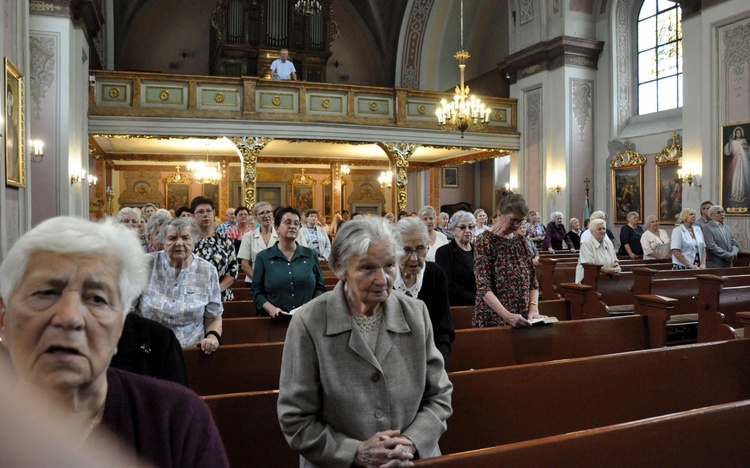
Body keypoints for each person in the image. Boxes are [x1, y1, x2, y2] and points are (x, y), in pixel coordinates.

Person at [0, 216, 228, 466]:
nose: (70, 318)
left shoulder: (179, 418)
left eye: (97, 299)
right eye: (45, 293)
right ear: (4, 317)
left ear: (121, 324)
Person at [277, 217, 453, 466]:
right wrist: (356, 451)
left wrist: (410, 442)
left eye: (390, 265)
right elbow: (295, 420)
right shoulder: (309, 322)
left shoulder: (415, 314)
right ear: (340, 268)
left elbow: (439, 395)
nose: (383, 280)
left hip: (409, 461)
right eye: (368, 268)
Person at [137, 217, 223, 352]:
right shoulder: (145, 265)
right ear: (163, 242)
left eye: (185, 238)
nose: (179, 243)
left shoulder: (208, 271)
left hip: (191, 351)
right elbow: (126, 309)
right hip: (148, 349)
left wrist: (212, 337)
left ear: (194, 241)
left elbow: (214, 317)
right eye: (172, 238)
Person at [473, 195, 544, 328]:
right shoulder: (484, 241)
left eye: (521, 221)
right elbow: (483, 286)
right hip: (493, 317)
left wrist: (533, 309)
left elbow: (533, 281)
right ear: (500, 214)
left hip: (521, 317)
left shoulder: (521, 241)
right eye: (513, 220)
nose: (516, 226)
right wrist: (507, 316)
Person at [394, 217, 455, 363]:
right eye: (406, 250)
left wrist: (439, 361)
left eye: (420, 248)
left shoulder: (435, 274)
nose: (414, 258)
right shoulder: (385, 276)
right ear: (394, 249)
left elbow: (443, 328)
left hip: (428, 357)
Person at [252, 206, 326, 318]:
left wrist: (311, 305)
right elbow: (257, 292)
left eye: (296, 223)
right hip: (275, 319)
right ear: (276, 228)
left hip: (307, 318)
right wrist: (271, 309)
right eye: (288, 222)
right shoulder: (263, 257)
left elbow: (320, 287)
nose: (293, 226)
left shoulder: (310, 254)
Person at [191, 196, 239, 302]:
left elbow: (233, 269)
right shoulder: (189, 240)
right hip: (194, 296)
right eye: (200, 212)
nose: (205, 215)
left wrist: (217, 290)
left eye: (208, 211)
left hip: (221, 295)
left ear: (213, 214)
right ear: (193, 216)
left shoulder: (224, 239)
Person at [434, 210, 477, 307]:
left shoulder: (478, 251)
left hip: (480, 306)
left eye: (470, 227)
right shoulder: (444, 252)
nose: (467, 231)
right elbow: (448, 284)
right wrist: (476, 299)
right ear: (453, 230)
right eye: (462, 227)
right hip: (455, 305)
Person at [238, 202, 277, 287]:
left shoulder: (280, 235)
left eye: (268, 212)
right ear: (256, 218)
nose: (266, 215)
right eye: (262, 213)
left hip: (278, 283)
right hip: (254, 282)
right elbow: (244, 265)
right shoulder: (249, 236)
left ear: (272, 214)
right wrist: (259, 280)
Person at [576, 218, 621, 283]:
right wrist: (607, 270)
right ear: (592, 232)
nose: (602, 231)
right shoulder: (586, 244)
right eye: (599, 229)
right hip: (588, 280)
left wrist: (617, 267)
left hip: (606, 279)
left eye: (604, 228)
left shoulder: (608, 242)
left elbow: (615, 260)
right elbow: (590, 265)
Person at [724, 126, 750, 203]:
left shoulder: (743, 140)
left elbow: (748, 149)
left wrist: (745, 147)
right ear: (735, 134)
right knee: (735, 178)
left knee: (741, 178)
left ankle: (741, 195)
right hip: (735, 161)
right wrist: (730, 142)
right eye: (736, 133)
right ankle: (734, 194)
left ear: (741, 133)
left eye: (739, 133)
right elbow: (730, 152)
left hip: (742, 161)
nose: (738, 134)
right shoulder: (733, 142)